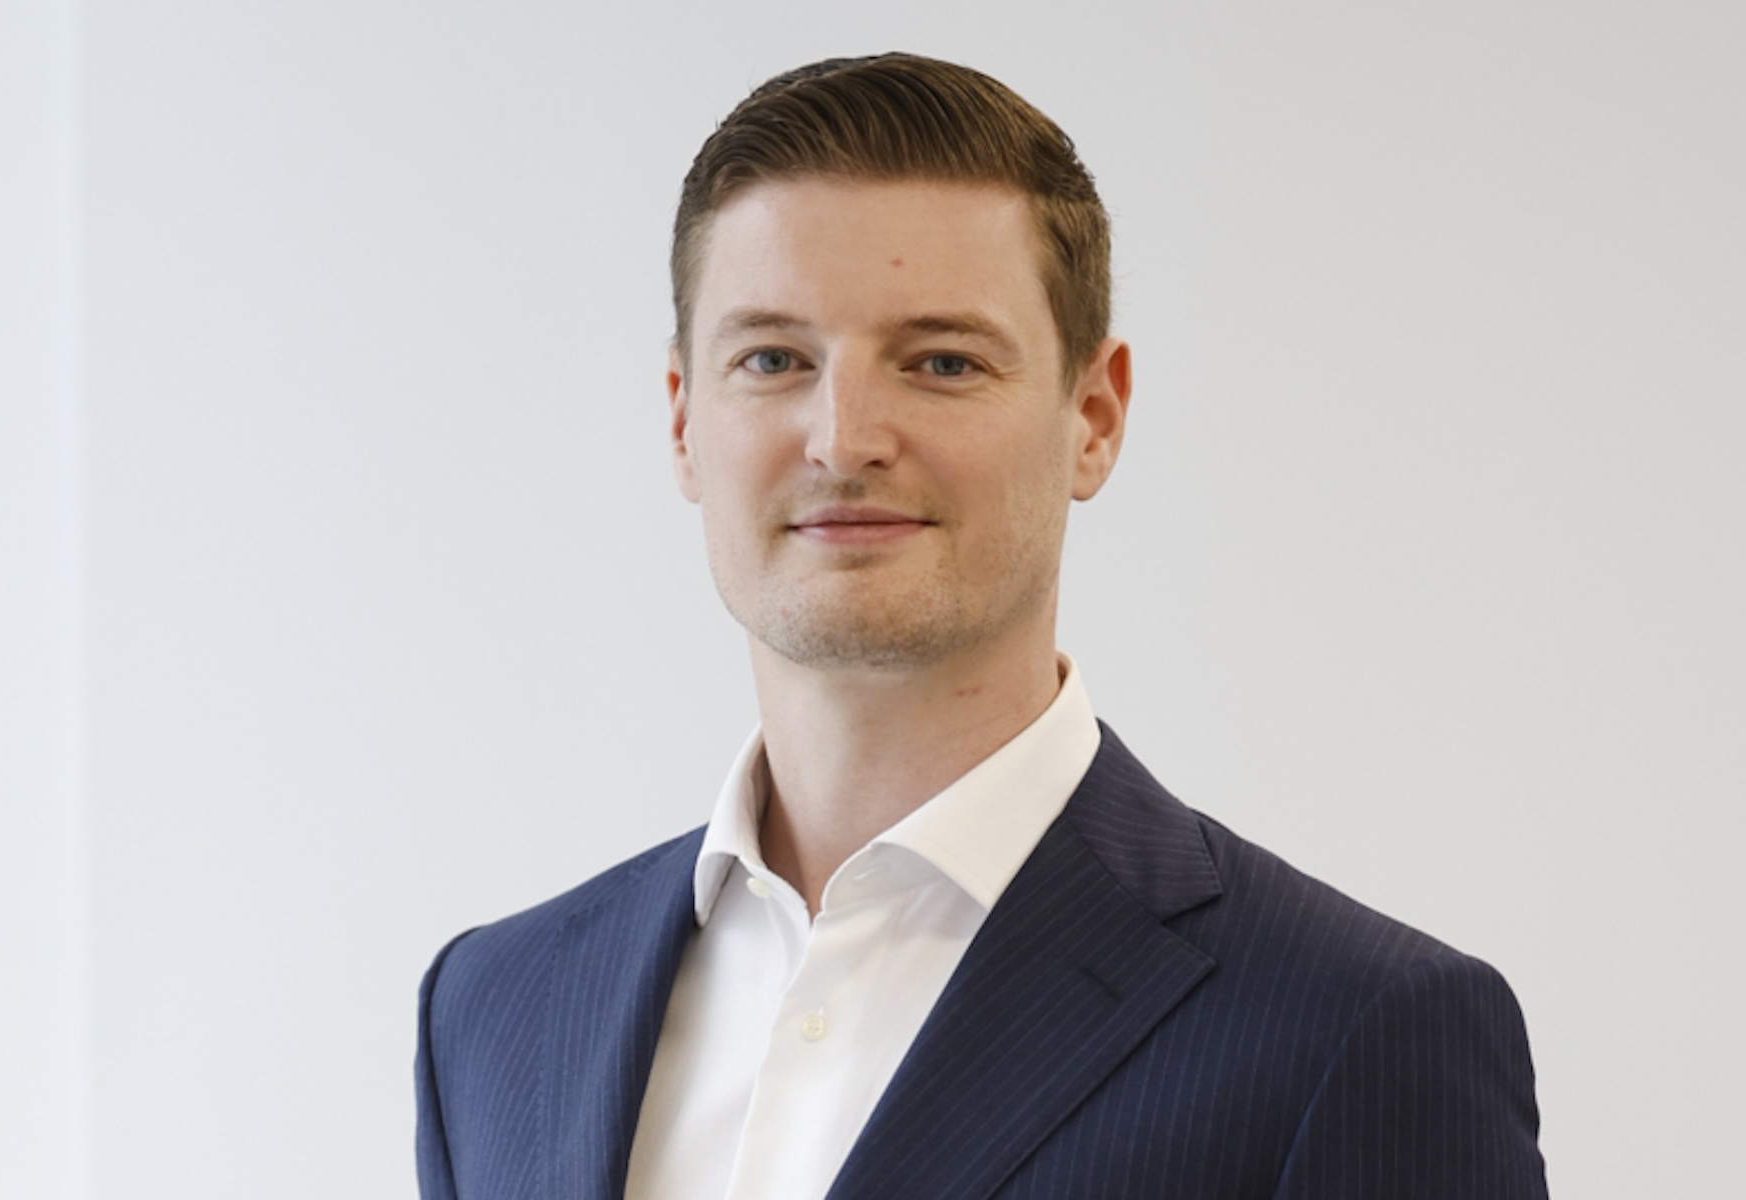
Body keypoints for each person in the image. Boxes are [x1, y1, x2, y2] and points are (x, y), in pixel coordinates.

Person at [414, 53, 1548, 1199]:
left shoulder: (1351, 1031)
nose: (844, 437)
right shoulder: (494, 1014)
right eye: (772, 359)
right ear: (682, 421)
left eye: (942, 361)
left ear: (1094, 416)